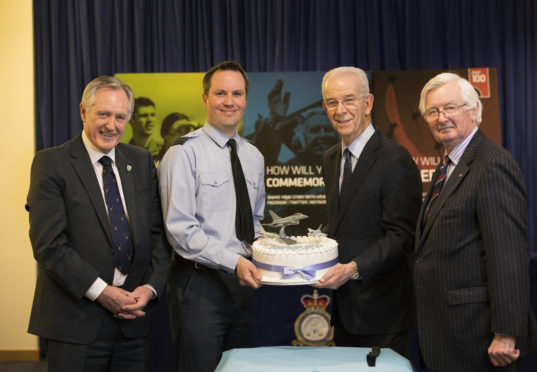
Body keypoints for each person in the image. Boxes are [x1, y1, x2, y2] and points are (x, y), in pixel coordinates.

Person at [25, 76, 170, 371]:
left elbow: (158, 234)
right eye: (103, 114)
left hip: (133, 321)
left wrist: (150, 287)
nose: (111, 125)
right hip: (75, 323)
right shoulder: (50, 163)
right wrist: (102, 292)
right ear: (83, 111)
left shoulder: (141, 161)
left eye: (120, 117)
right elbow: (49, 245)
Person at [414, 72, 537, 371]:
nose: (441, 118)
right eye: (433, 111)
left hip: (478, 338)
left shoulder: (492, 163)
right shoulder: (447, 165)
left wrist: (506, 333)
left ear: (474, 110)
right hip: (447, 335)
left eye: (450, 108)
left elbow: (507, 255)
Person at [158, 61, 265, 372]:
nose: (229, 101)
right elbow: (180, 231)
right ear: (205, 98)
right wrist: (235, 262)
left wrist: (275, 254)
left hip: (242, 285)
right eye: (220, 93)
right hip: (198, 284)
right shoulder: (183, 153)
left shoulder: (253, 156)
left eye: (237, 93)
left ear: (246, 99)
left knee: (238, 367)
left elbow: (254, 221)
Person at [314, 66, 422, 358]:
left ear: (368, 103)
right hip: (344, 309)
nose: (341, 110)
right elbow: (344, 224)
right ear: (324, 107)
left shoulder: (395, 160)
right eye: (332, 102)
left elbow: (402, 236)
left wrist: (353, 269)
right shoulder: (330, 158)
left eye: (349, 100)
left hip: (383, 311)